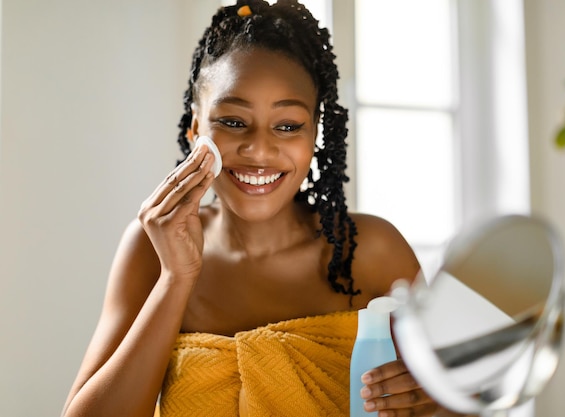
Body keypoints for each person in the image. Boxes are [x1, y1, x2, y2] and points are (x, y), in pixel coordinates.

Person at [61, 1, 454, 416]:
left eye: (287, 126)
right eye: (232, 121)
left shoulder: (373, 251)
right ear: (196, 128)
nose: (259, 150)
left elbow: (453, 398)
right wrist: (176, 279)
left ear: (315, 133)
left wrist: (439, 400)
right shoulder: (149, 248)